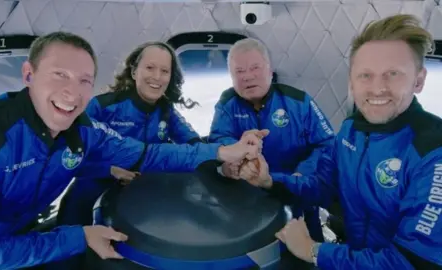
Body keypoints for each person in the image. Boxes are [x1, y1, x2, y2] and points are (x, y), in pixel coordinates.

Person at [0, 32, 262, 270]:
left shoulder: (83, 130)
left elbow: (152, 154)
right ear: (28, 75)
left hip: (24, 232)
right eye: (60, 75)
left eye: (84, 81)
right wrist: (78, 235)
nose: (71, 92)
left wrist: (224, 154)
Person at [239, 14, 442, 269]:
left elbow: (413, 262)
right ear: (351, 82)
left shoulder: (433, 152)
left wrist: (313, 251)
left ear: (419, 80)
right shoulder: (351, 130)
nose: (377, 88)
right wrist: (270, 181)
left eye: (393, 73)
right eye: (365, 75)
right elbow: (323, 185)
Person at [57, 41, 203, 228]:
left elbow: (194, 143)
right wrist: (110, 170)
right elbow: (70, 154)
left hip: (140, 193)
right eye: (150, 68)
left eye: (165, 71)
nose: (157, 77)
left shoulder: (166, 111)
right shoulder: (103, 107)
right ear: (134, 72)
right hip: (91, 191)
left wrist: (223, 159)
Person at [208, 37, 334, 243]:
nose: (248, 76)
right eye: (239, 72)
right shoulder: (226, 104)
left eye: (255, 68)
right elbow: (217, 140)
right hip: (246, 199)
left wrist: (302, 173)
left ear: (269, 69)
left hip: (296, 192)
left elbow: (327, 144)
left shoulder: (299, 102)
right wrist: (239, 157)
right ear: (231, 77)